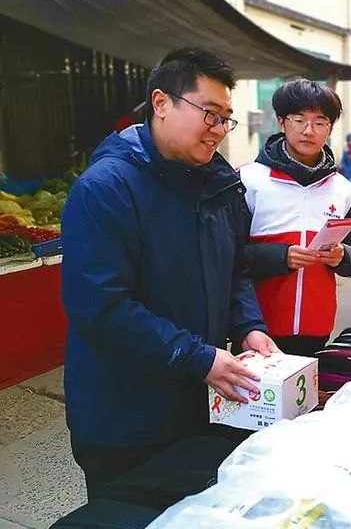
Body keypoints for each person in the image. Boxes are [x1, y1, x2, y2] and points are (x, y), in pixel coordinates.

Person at [61, 47, 279, 499]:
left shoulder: (219, 183)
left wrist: (249, 327)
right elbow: (100, 308)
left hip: (196, 405)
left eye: (226, 119)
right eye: (210, 114)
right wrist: (197, 357)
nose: (219, 130)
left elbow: (235, 270)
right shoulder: (106, 189)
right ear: (161, 104)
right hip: (124, 416)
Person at [239, 79, 351, 357]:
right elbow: (227, 256)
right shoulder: (249, 180)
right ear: (281, 122)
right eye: (299, 120)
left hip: (318, 328)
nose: (309, 130)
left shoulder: (342, 188)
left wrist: (342, 256)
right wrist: (280, 256)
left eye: (320, 122)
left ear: (330, 129)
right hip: (258, 328)